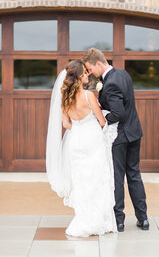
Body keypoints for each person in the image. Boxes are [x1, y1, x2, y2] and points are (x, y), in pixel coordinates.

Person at [46, 60, 117, 237]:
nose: (87, 75)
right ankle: (97, 221)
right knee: (96, 180)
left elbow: (65, 124)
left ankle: (82, 218)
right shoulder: (88, 96)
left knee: (80, 182)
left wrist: (78, 126)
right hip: (92, 140)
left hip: (75, 142)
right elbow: (101, 121)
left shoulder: (64, 97)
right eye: (85, 72)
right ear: (78, 76)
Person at [83, 48, 149, 232]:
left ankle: (118, 220)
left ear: (98, 64)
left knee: (117, 177)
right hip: (135, 132)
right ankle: (143, 219)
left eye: (90, 69)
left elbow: (118, 113)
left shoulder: (110, 83)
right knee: (134, 175)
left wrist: (102, 121)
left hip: (120, 136)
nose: (90, 73)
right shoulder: (123, 74)